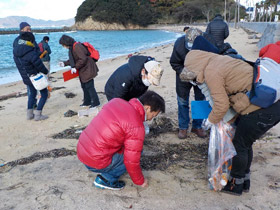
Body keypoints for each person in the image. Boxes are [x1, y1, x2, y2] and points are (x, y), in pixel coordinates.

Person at [181, 50, 280, 196]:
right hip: (272, 104)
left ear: (195, 67)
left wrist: (209, 121)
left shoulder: (211, 72)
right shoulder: (221, 60)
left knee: (239, 145)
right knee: (246, 144)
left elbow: (221, 105)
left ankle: (235, 185)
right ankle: (245, 181)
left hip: (262, 110)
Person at [77, 90, 165, 190]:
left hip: (82, 150)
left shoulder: (116, 101)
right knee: (138, 152)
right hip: (94, 161)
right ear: (148, 108)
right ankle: (106, 179)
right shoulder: (136, 126)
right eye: (153, 115)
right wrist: (140, 181)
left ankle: (105, 169)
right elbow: (131, 161)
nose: (150, 119)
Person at [169, 28, 207, 139]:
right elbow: (174, 63)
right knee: (182, 101)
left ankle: (197, 126)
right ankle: (183, 127)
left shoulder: (207, 46)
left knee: (200, 101)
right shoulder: (179, 44)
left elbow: (212, 62)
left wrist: (200, 75)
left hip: (201, 75)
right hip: (183, 76)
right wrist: (186, 74)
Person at [13, 22, 49, 121]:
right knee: (43, 93)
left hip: (26, 73)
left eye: (30, 29)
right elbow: (36, 60)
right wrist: (45, 71)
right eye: (27, 29)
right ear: (21, 30)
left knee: (32, 93)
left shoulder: (18, 48)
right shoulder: (25, 46)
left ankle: (29, 114)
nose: (29, 31)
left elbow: (19, 61)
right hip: (33, 73)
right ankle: (38, 115)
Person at [59, 35, 100, 108]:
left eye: (63, 45)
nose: (64, 46)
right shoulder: (72, 47)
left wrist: (75, 67)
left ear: (66, 43)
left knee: (89, 86)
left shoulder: (77, 46)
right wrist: (64, 63)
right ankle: (87, 101)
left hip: (88, 68)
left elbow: (83, 59)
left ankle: (96, 102)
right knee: (84, 86)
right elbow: (74, 59)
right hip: (83, 69)